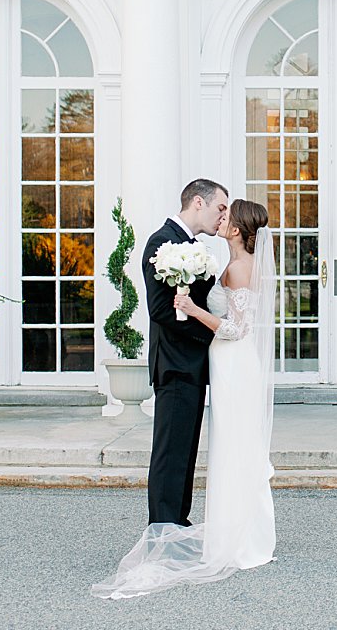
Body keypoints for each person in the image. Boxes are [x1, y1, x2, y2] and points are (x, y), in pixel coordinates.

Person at [93, 188, 276, 598]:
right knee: (172, 452)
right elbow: (161, 311)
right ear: (199, 203)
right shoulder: (162, 244)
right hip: (179, 364)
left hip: (214, 362)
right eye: (219, 207)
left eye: (228, 213)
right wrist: (201, 328)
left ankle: (183, 525)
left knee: (198, 450)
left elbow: (226, 317)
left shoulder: (214, 257)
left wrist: (200, 319)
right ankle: (163, 533)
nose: (221, 216)